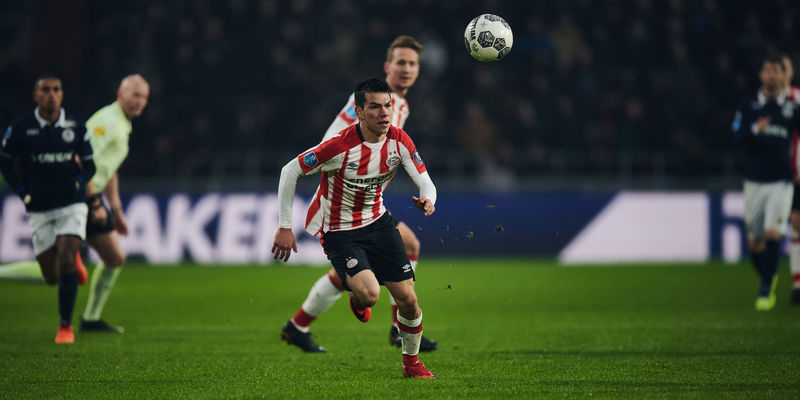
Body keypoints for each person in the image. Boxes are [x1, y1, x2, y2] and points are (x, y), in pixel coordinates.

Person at [280, 35, 438, 353]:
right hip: (339, 203)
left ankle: (297, 326)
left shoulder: (398, 106)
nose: (407, 69)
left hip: (369, 204)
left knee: (363, 269)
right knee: (369, 268)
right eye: (400, 62)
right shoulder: (368, 106)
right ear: (387, 66)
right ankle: (396, 328)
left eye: (412, 63)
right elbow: (331, 148)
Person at [0, 75, 96, 343]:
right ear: (36, 95)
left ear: (62, 95)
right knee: (52, 276)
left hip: (71, 204)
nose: (51, 94)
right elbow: (5, 162)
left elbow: (90, 166)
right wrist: (22, 192)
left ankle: (65, 327)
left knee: (66, 254)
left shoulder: (76, 125)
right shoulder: (21, 128)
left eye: (56, 89)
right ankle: (72, 264)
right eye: (46, 90)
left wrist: (78, 183)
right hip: (40, 207)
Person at [79, 74, 150, 333]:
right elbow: (82, 161)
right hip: (76, 195)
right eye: (135, 95)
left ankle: (90, 319)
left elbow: (109, 169)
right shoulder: (107, 121)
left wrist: (116, 209)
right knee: (53, 270)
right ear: (120, 93)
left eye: (143, 97)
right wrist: (94, 202)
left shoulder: (122, 123)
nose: (139, 101)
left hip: (90, 196)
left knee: (114, 258)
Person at [732, 55, 800, 311]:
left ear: (783, 76)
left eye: (775, 71)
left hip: (781, 182)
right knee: (755, 244)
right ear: (761, 75)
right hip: (754, 181)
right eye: (767, 70)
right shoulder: (748, 105)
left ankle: (764, 290)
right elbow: (736, 137)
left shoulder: (792, 109)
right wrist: (754, 129)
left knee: (774, 234)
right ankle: (769, 277)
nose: (771, 75)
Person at [780, 54, 800, 304]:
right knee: (795, 224)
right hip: (785, 173)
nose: (780, 73)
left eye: (783, 68)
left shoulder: (797, 98)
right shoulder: (767, 102)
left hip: (797, 171)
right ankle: (797, 283)